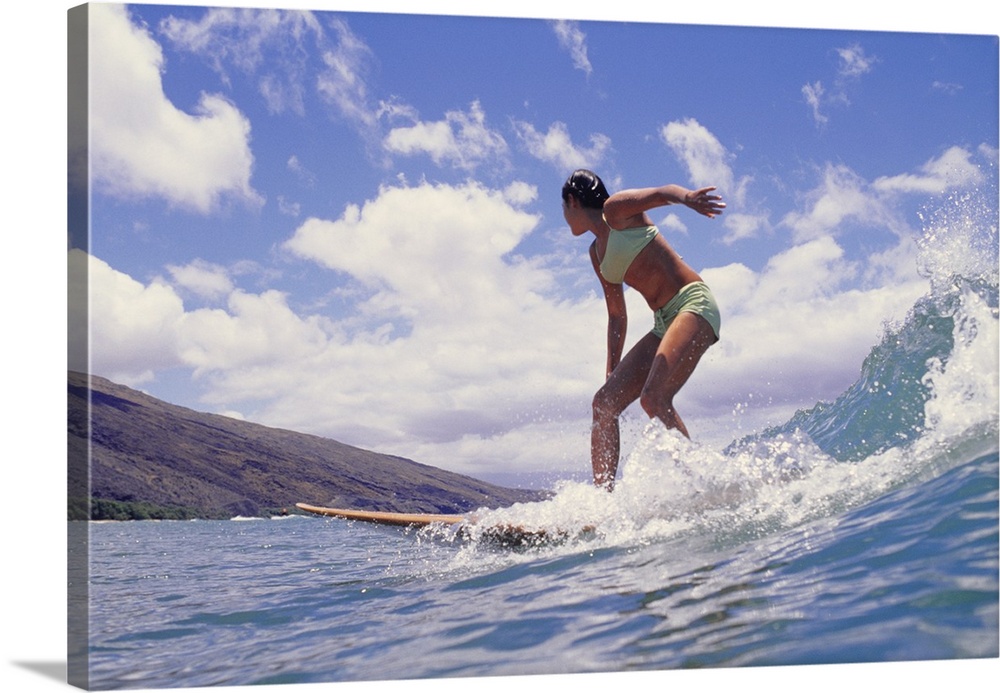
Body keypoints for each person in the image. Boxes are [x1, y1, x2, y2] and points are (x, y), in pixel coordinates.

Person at [561, 169, 725, 490]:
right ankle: (602, 501)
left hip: (692, 303)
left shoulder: (615, 211)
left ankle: (702, 487)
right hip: (663, 321)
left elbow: (663, 191)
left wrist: (688, 198)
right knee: (604, 404)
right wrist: (612, 370)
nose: (565, 217)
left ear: (572, 202)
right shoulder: (596, 255)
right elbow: (617, 315)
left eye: (564, 209)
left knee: (653, 398)